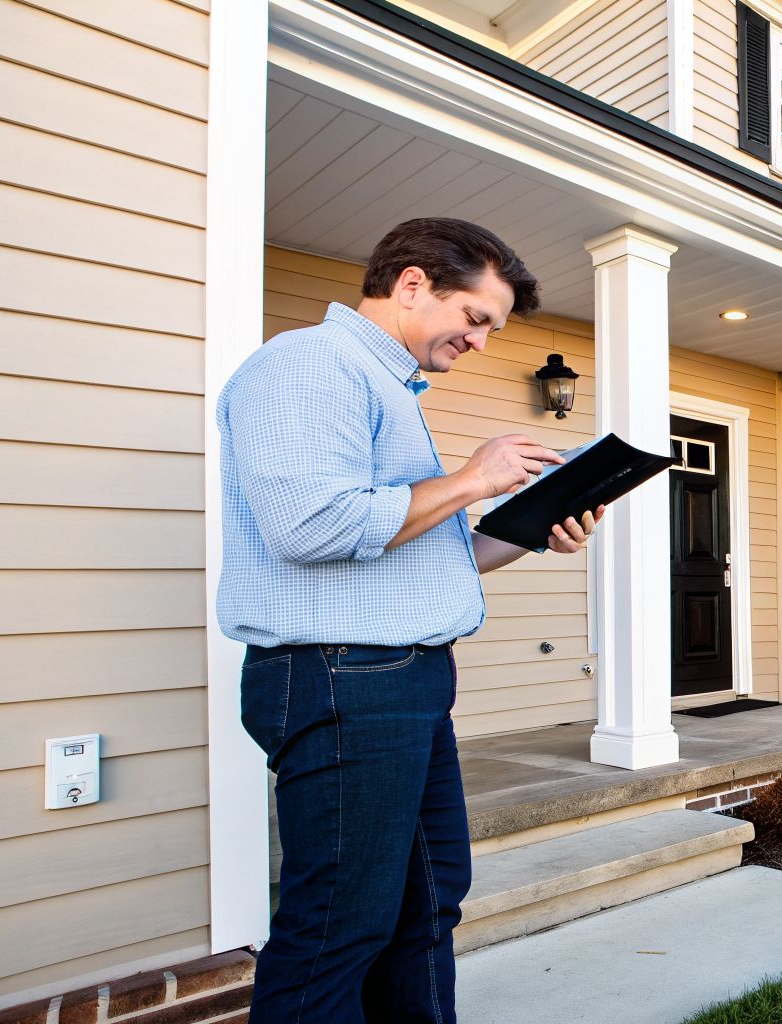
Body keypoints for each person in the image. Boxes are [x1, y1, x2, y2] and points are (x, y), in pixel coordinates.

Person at [217, 218, 603, 1022]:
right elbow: (313, 527)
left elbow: (417, 549)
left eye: (492, 329)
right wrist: (472, 478)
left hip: (402, 679)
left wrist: (530, 527)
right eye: (476, 319)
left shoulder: (384, 388)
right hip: (343, 678)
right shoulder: (307, 366)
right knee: (338, 927)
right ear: (414, 284)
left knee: (426, 909)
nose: (483, 343)